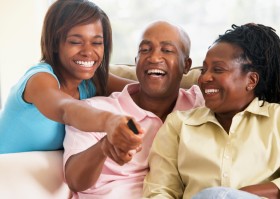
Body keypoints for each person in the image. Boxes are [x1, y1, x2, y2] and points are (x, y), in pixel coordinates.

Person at [143, 23, 280, 199]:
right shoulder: (178, 125)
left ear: (251, 80)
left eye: (218, 69)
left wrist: (234, 195)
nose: (204, 78)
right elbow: (159, 191)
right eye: (204, 70)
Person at [63, 20, 205, 198]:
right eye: (145, 50)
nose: (153, 58)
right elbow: (75, 181)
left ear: (186, 65)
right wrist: (104, 146)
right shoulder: (94, 110)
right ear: (137, 61)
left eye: (167, 50)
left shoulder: (200, 105)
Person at [0, 0, 138, 154]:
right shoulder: (40, 79)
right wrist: (109, 121)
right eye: (76, 42)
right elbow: (66, 109)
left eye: (97, 42)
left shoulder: (94, 80)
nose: (88, 51)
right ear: (53, 44)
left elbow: (143, 93)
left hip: (42, 174)